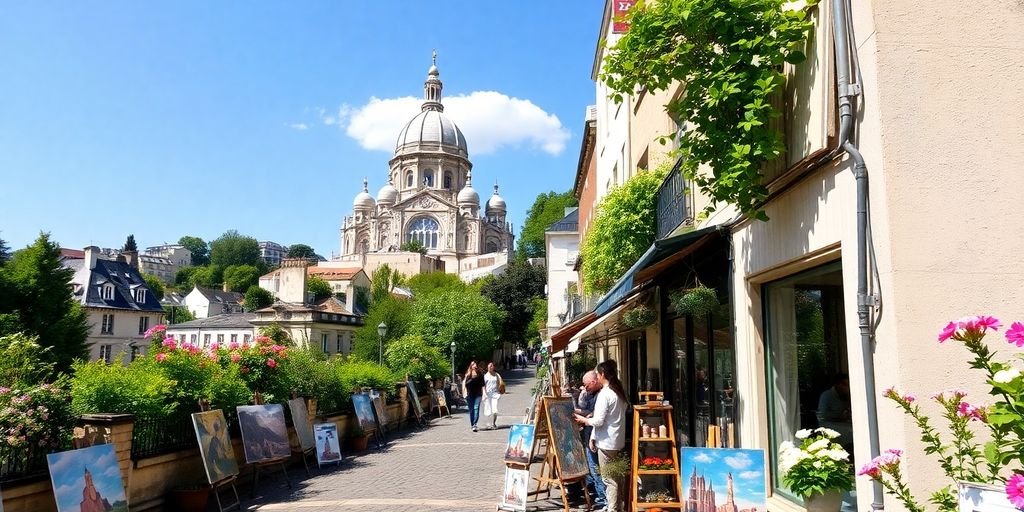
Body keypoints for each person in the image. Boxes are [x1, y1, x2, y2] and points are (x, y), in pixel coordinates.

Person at [574, 360, 627, 512]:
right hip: (616, 440)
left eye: (597, 374)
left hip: (607, 442)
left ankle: (613, 508)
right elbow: (608, 419)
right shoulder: (618, 392)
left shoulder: (605, 394)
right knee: (616, 477)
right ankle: (618, 506)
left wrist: (583, 420)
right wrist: (593, 437)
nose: (597, 377)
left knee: (609, 479)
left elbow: (598, 420)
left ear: (603, 374)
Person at [575, 370, 607, 508]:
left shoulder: (602, 395)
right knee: (592, 468)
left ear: (594, 382)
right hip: (590, 436)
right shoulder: (591, 393)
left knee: (596, 468)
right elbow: (588, 412)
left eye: (587, 385)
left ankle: (602, 499)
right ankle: (596, 494)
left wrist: (584, 417)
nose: (585, 387)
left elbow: (597, 417)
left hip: (597, 437)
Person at [817, 373, 854, 451]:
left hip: (842, 422)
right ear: (838, 384)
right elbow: (822, 414)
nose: (848, 388)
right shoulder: (826, 395)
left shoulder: (845, 395)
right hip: (828, 424)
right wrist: (838, 415)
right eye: (846, 385)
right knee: (851, 430)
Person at [463, 360, 485, 432]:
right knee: (471, 410)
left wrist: (484, 393)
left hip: (478, 394)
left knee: (476, 408)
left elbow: (483, 384)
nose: (474, 366)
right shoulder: (468, 375)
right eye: (473, 365)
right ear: (471, 366)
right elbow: (466, 385)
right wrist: (472, 378)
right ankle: (472, 424)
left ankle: (475, 424)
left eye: (475, 365)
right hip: (470, 394)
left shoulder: (480, 374)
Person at [482, 361, 504, 429]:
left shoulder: (497, 375)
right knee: (488, 410)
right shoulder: (485, 376)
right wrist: (484, 393)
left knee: (495, 410)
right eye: (489, 366)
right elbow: (483, 385)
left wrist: (500, 390)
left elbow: (501, 383)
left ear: (493, 367)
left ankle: (494, 423)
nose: (490, 367)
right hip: (488, 394)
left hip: (495, 394)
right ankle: (488, 423)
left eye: (491, 366)